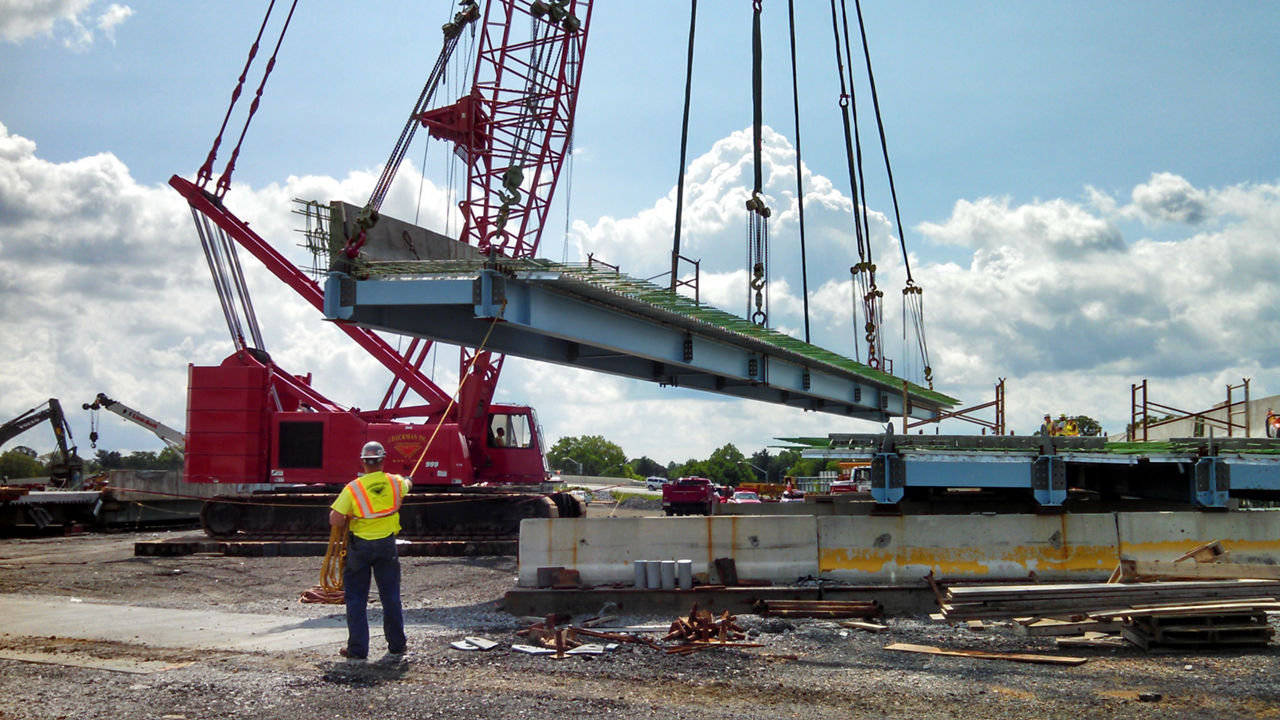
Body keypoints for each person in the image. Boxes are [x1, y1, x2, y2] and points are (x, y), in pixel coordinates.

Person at [329, 441, 412, 660]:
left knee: (356, 598)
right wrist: (408, 482)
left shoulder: (354, 488)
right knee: (390, 596)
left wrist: (351, 514)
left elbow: (335, 519)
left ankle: (357, 650)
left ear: (363, 462)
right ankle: (397, 645)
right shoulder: (395, 483)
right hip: (387, 546)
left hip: (360, 548)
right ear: (383, 460)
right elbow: (406, 485)